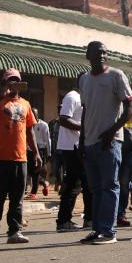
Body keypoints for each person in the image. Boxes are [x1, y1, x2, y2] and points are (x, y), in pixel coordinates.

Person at [79, 41, 132, 245]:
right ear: (88, 56)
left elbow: (131, 106)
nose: (101, 55)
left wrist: (113, 131)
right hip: (90, 142)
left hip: (110, 142)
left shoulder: (116, 75)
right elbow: (85, 111)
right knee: (95, 189)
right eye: (97, 52)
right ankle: (97, 229)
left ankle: (109, 231)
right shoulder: (84, 80)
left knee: (110, 185)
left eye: (104, 52)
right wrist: (82, 140)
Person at [0, 68, 41, 244]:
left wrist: (36, 153)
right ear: (4, 83)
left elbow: (30, 130)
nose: (13, 83)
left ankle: (14, 231)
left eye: (16, 80)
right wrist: (1, 95)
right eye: (10, 80)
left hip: (20, 158)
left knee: (17, 197)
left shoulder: (26, 104)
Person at [55, 77, 91, 232]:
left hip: (79, 145)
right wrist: (84, 128)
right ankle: (64, 221)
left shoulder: (83, 97)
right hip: (72, 147)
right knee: (74, 184)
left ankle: (89, 218)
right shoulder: (72, 96)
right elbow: (64, 119)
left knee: (86, 184)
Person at [26, 108, 51, 198]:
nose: (32, 115)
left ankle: (33, 192)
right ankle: (44, 183)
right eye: (31, 114)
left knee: (36, 171)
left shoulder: (44, 125)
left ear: (37, 115)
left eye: (34, 114)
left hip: (40, 149)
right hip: (29, 150)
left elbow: (48, 139)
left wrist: (49, 152)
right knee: (30, 172)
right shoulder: (27, 124)